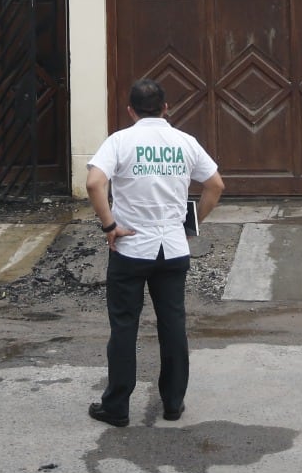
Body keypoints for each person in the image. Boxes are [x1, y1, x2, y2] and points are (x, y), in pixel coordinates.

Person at [85, 77, 225, 427]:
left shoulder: (120, 141)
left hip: (131, 247)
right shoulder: (185, 142)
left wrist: (109, 226)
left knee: (124, 326)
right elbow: (215, 185)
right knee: (173, 324)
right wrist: (191, 225)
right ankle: (173, 403)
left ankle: (117, 407)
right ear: (165, 108)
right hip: (173, 248)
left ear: (130, 110)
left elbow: (94, 183)